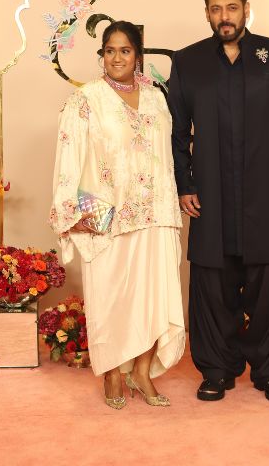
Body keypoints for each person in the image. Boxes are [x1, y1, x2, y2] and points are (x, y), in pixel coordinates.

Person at [166, 0, 269, 404]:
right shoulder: (189, 61)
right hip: (210, 197)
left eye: (232, 8)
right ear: (207, 12)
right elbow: (177, 132)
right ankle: (217, 369)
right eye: (216, 9)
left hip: (266, 195)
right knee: (212, 286)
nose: (224, 17)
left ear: (247, 9)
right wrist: (184, 184)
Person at [49, 21, 185, 409]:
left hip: (156, 210)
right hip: (107, 213)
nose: (117, 58)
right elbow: (68, 156)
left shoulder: (156, 97)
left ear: (137, 55)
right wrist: (72, 210)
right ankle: (112, 372)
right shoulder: (86, 99)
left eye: (125, 50)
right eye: (109, 51)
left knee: (154, 295)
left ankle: (141, 373)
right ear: (102, 56)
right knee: (111, 295)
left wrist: (172, 201)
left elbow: (167, 155)